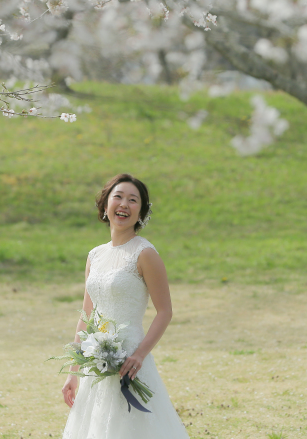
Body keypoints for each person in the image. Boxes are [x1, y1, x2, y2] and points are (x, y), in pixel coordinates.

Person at [61, 173, 189, 438]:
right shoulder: (95, 255)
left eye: (133, 200)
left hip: (130, 359)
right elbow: (87, 315)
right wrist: (74, 372)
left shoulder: (145, 253)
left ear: (141, 212)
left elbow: (165, 311)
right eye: (117, 197)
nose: (124, 204)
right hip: (95, 362)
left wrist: (139, 355)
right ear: (105, 205)